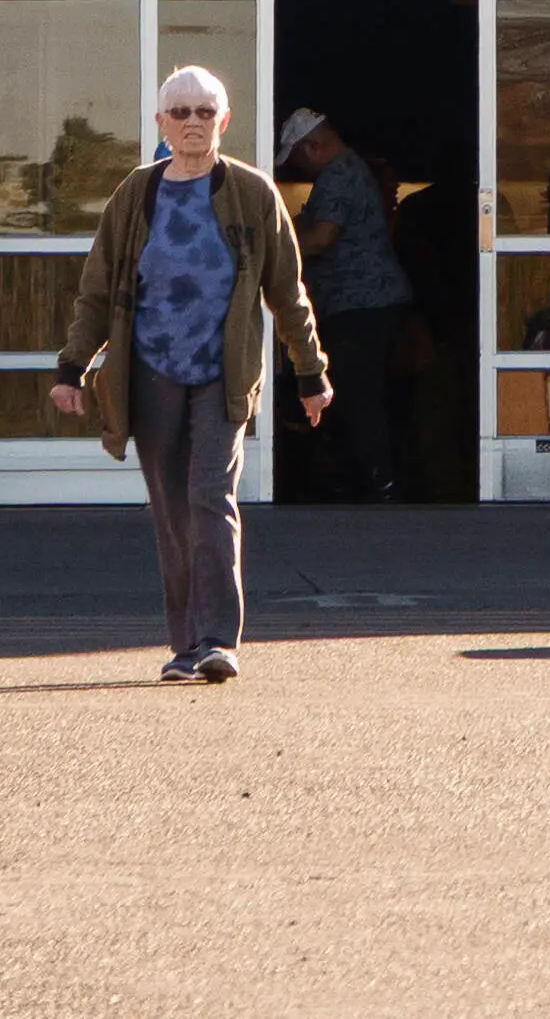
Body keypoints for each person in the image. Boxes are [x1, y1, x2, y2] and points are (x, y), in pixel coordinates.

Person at [53, 64, 329, 681]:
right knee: (170, 510)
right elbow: (97, 291)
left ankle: (216, 640)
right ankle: (183, 646)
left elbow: (288, 290)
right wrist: (72, 367)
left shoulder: (253, 194)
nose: (193, 123)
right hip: (150, 373)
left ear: (224, 121)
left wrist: (310, 372)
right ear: (161, 123)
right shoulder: (136, 194)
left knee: (210, 497)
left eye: (206, 112)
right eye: (181, 112)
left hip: (221, 377)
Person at [279, 107, 414, 501]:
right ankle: (371, 479)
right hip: (363, 304)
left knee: (358, 395)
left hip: (361, 306)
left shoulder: (337, 175)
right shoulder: (347, 172)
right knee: (359, 392)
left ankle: (381, 484)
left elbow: (321, 237)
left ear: (314, 145)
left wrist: (275, 244)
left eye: (299, 158)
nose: (299, 170)